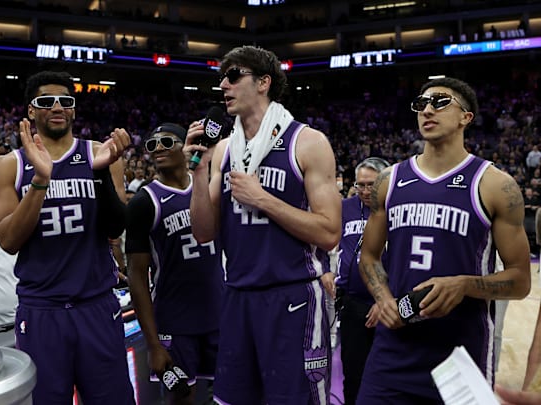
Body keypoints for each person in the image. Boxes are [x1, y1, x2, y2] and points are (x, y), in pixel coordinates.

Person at [357, 77, 531, 403]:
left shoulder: (495, 185)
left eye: (439, 102)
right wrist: (383, 298)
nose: (427, 109)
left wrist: (465, 285)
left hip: (461, 352)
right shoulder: (389, 180)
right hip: (393, 349)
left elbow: (520, 280)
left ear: (466, 117)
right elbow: (369, 256)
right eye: (421, 104)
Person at [184, 45, 341, 405]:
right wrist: (197, 171)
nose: (224, 84)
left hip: (293, 297)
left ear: (263, 83)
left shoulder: (308, 142)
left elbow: (330, 233)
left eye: (234, 76)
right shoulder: (223, 150)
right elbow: (204, 231)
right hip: (238, 296)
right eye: (222, 77)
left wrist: (263, 200)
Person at [0, 70, 133, 404]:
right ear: (30, 111)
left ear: (74, 110)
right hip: (43, 308)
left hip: (96, 303)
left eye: (65, 101)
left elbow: (114, 229)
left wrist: (101, 174)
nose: (57, 106)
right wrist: (40, 180)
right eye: (46, 101)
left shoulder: (100, 154)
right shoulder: (8, 166)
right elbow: (9, 241)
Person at [126, 123, 223, 404]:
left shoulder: (210, 188)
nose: (158, 149)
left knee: (229, 394)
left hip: (219, 314)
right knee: (180, 398)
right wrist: (153, 344)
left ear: (186, 146)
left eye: (166, 142)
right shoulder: (144, 202)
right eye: (151, 145)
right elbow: (137, 276)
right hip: (175, 323)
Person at [334, 156, 390, 405]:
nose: (365, 191)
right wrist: (327, 270)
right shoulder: (343, 207)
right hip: (352, 303)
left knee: (386, 375)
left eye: (371, 185)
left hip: (388, 305)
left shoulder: (396, 209)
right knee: (353, 374)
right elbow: (324, 243)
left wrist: (385, 300)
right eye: (360, 185)